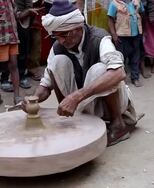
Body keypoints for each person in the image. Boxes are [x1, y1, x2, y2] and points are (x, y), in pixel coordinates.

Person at [21, 0, 140, 146]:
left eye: (64, 35)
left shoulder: (100, 39)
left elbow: (119, 73)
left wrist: (76, 96)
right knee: (57, 62)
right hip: (83, 106)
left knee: (101, 70)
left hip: (108, 105)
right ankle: (68, 118)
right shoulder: (58, 46)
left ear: (78, 27)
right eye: (56, 36)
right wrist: (34, 98)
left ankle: (118, 125)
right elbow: (46, 85)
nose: (61, 40)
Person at [107, 0, 145, 87]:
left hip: (136, 35)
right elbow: (110, 19)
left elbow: (142, 14)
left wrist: (141, 31)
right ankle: (121, 80)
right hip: (121, 36)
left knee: (135, 57)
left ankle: (135, 78)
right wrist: (114, 35)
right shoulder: (114, 3)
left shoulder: (137, 1)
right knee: (121, 58)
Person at [0, 0, 21, 104]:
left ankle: (17, 96)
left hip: (12, 36)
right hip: (1, 38)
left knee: (14, 65)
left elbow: (15, 14)